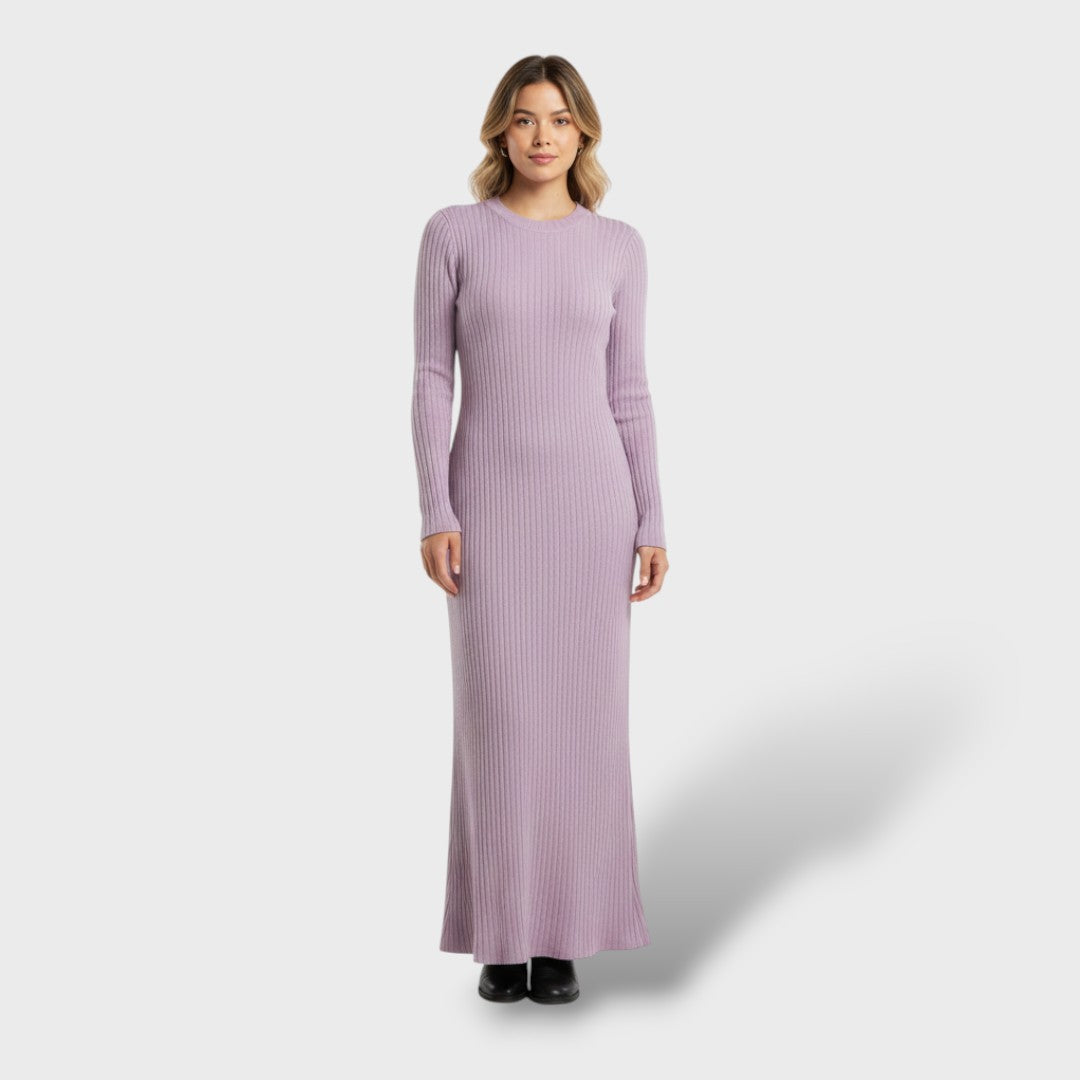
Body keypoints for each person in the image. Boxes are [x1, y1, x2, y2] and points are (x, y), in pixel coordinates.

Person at [411, 54, 669, 1005]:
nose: (542, 136)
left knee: (583, 729)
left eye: (560, 119)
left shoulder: (618, 246)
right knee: (502, 725)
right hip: (489, 510)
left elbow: (629, 391)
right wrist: (435, 506)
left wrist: (652, 515)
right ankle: (502, 935)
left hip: (594, 513)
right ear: (500, 132)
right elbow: (430, 378)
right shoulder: (454, 234)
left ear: (583, 132)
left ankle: (562, 937)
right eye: (524, 119)